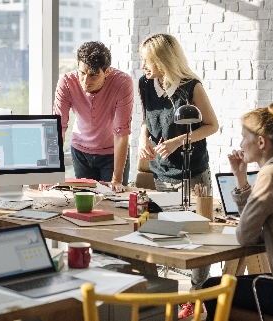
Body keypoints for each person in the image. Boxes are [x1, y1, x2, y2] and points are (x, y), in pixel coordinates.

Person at [137, 33, 219, 319]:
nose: (143, 65)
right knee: (165, 232)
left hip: (193, 171)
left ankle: (196, 297)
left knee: (199, 237)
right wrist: (142, 140)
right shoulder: (145, 84)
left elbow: (211, 125)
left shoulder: (191, 87)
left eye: (147, 60)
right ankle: (164, 295)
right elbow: (146, 120)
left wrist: (179, 141)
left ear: (162, 60)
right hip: (162, 172)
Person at [203, 103, 273, 320]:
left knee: (210, 288)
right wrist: (241, 179)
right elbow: (255, 232)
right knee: (223, 285)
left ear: (261, 142)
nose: (241, 143)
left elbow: (245, 236)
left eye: (244, 137)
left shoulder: (271, 174)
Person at [53, 41, 134, 193]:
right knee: (83, 201)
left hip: (112, 153)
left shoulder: (123, 83)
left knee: (112, 200)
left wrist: (116, 179)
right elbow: (58, 129)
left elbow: (122, 132)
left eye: (93, 75)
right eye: (82, 73)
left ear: (107, 71)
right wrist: (51, 175)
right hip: (81, 152)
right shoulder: (66, 82)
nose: (86, 81)